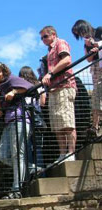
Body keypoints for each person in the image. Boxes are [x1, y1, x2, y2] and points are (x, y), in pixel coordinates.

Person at [0, 62, 33, 199]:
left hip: (20, 119)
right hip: (8, 122)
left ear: (4, 72)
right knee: (3, 155)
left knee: (18, 154)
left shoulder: (11, 79)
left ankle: (16, 190)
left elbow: (29, 87)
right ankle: (31, 167)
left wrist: (14, 91)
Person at [40, 25, 77, 163]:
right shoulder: (49, 51)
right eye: (41, 38)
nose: (43, 40)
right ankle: (63, 154)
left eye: (45, 36)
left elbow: (67, 60)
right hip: (54, 89)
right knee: (57, 125)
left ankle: (71, 153)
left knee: (67, 122)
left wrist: (50, 73)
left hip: (64, 86)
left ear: (53, 34)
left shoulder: (60, 43)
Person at [72, 20, 102, 137]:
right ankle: (95, 126)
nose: (81, 35)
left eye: (80, 32)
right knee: (96, 97)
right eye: (78, 35)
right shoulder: (86, 42)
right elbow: (89, 59)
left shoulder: (99, 31)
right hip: (96, 70)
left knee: (97, 96)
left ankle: (95, 126)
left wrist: (95, 44)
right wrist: (88, 47)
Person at [19, 66, 46, 171]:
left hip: (24, 117)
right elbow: (43, 102)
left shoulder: (21, 86)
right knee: (38, 147)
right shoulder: (38, 84)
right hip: (37, 116)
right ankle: (41, 174)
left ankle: (31, 174)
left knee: (26, 146)